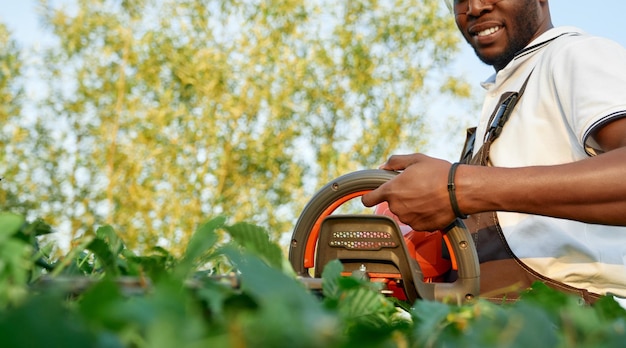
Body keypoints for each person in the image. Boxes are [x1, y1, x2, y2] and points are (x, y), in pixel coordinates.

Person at [361, 0, 626, 304]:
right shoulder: (506, 90)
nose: (474, 7)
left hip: (568, 327)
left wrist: (457, 187)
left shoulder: (576, 55)